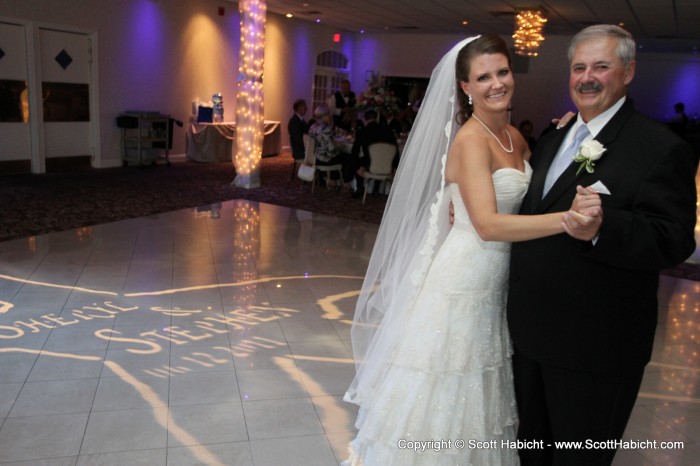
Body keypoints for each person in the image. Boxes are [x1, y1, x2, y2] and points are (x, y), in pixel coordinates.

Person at [342, 35, 601, 465]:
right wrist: (569, 222)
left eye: (502, 72)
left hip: (497, 280)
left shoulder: (514, 135)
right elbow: (486, 224)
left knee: (479, 386)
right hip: (463, 279)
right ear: (465, 87)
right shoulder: (470, 139)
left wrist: (568, 134)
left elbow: (533, 192)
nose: (496, 83)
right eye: (483, 77)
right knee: (445, 382)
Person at [507, 25, 697, 466]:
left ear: (628, 72)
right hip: (529, 335)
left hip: (595, 347)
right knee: (531, 453)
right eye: (578, 67)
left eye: (601, 66)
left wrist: (600, 228)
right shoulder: (555, 137)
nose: (587, 77)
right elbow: (534, 212)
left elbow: (673, 239)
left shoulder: (661, 147)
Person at [350, 108, 399, 198]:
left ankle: (360, 187)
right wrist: (394, 166)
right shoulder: (388, 130)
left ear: (365, 119)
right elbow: (395, 149)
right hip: (387, 164)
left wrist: (357, 168)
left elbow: (354, 152)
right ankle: (376, 189)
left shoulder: (362, 132)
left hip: (370, 163)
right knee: (378, 159)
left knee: (357, 160)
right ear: (376, 118)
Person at [307, 104, 356, 188]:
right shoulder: (326, 129)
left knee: (341, 156)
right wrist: (341, 146)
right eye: (328, 114)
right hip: (325, 158)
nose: (330, 116)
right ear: (323, 115)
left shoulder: (313, 126)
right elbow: (331, 149)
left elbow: (328, 139)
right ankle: (346, 183)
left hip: (315, 157)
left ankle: (333, 180)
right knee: (348, 157)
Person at [287, 99, 308, 163]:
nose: (306, 109)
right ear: (300, 108)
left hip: (302, 148)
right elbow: (298, 138)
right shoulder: (294, 121)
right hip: (299, 151)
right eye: (305, 107)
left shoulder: (300, 120)